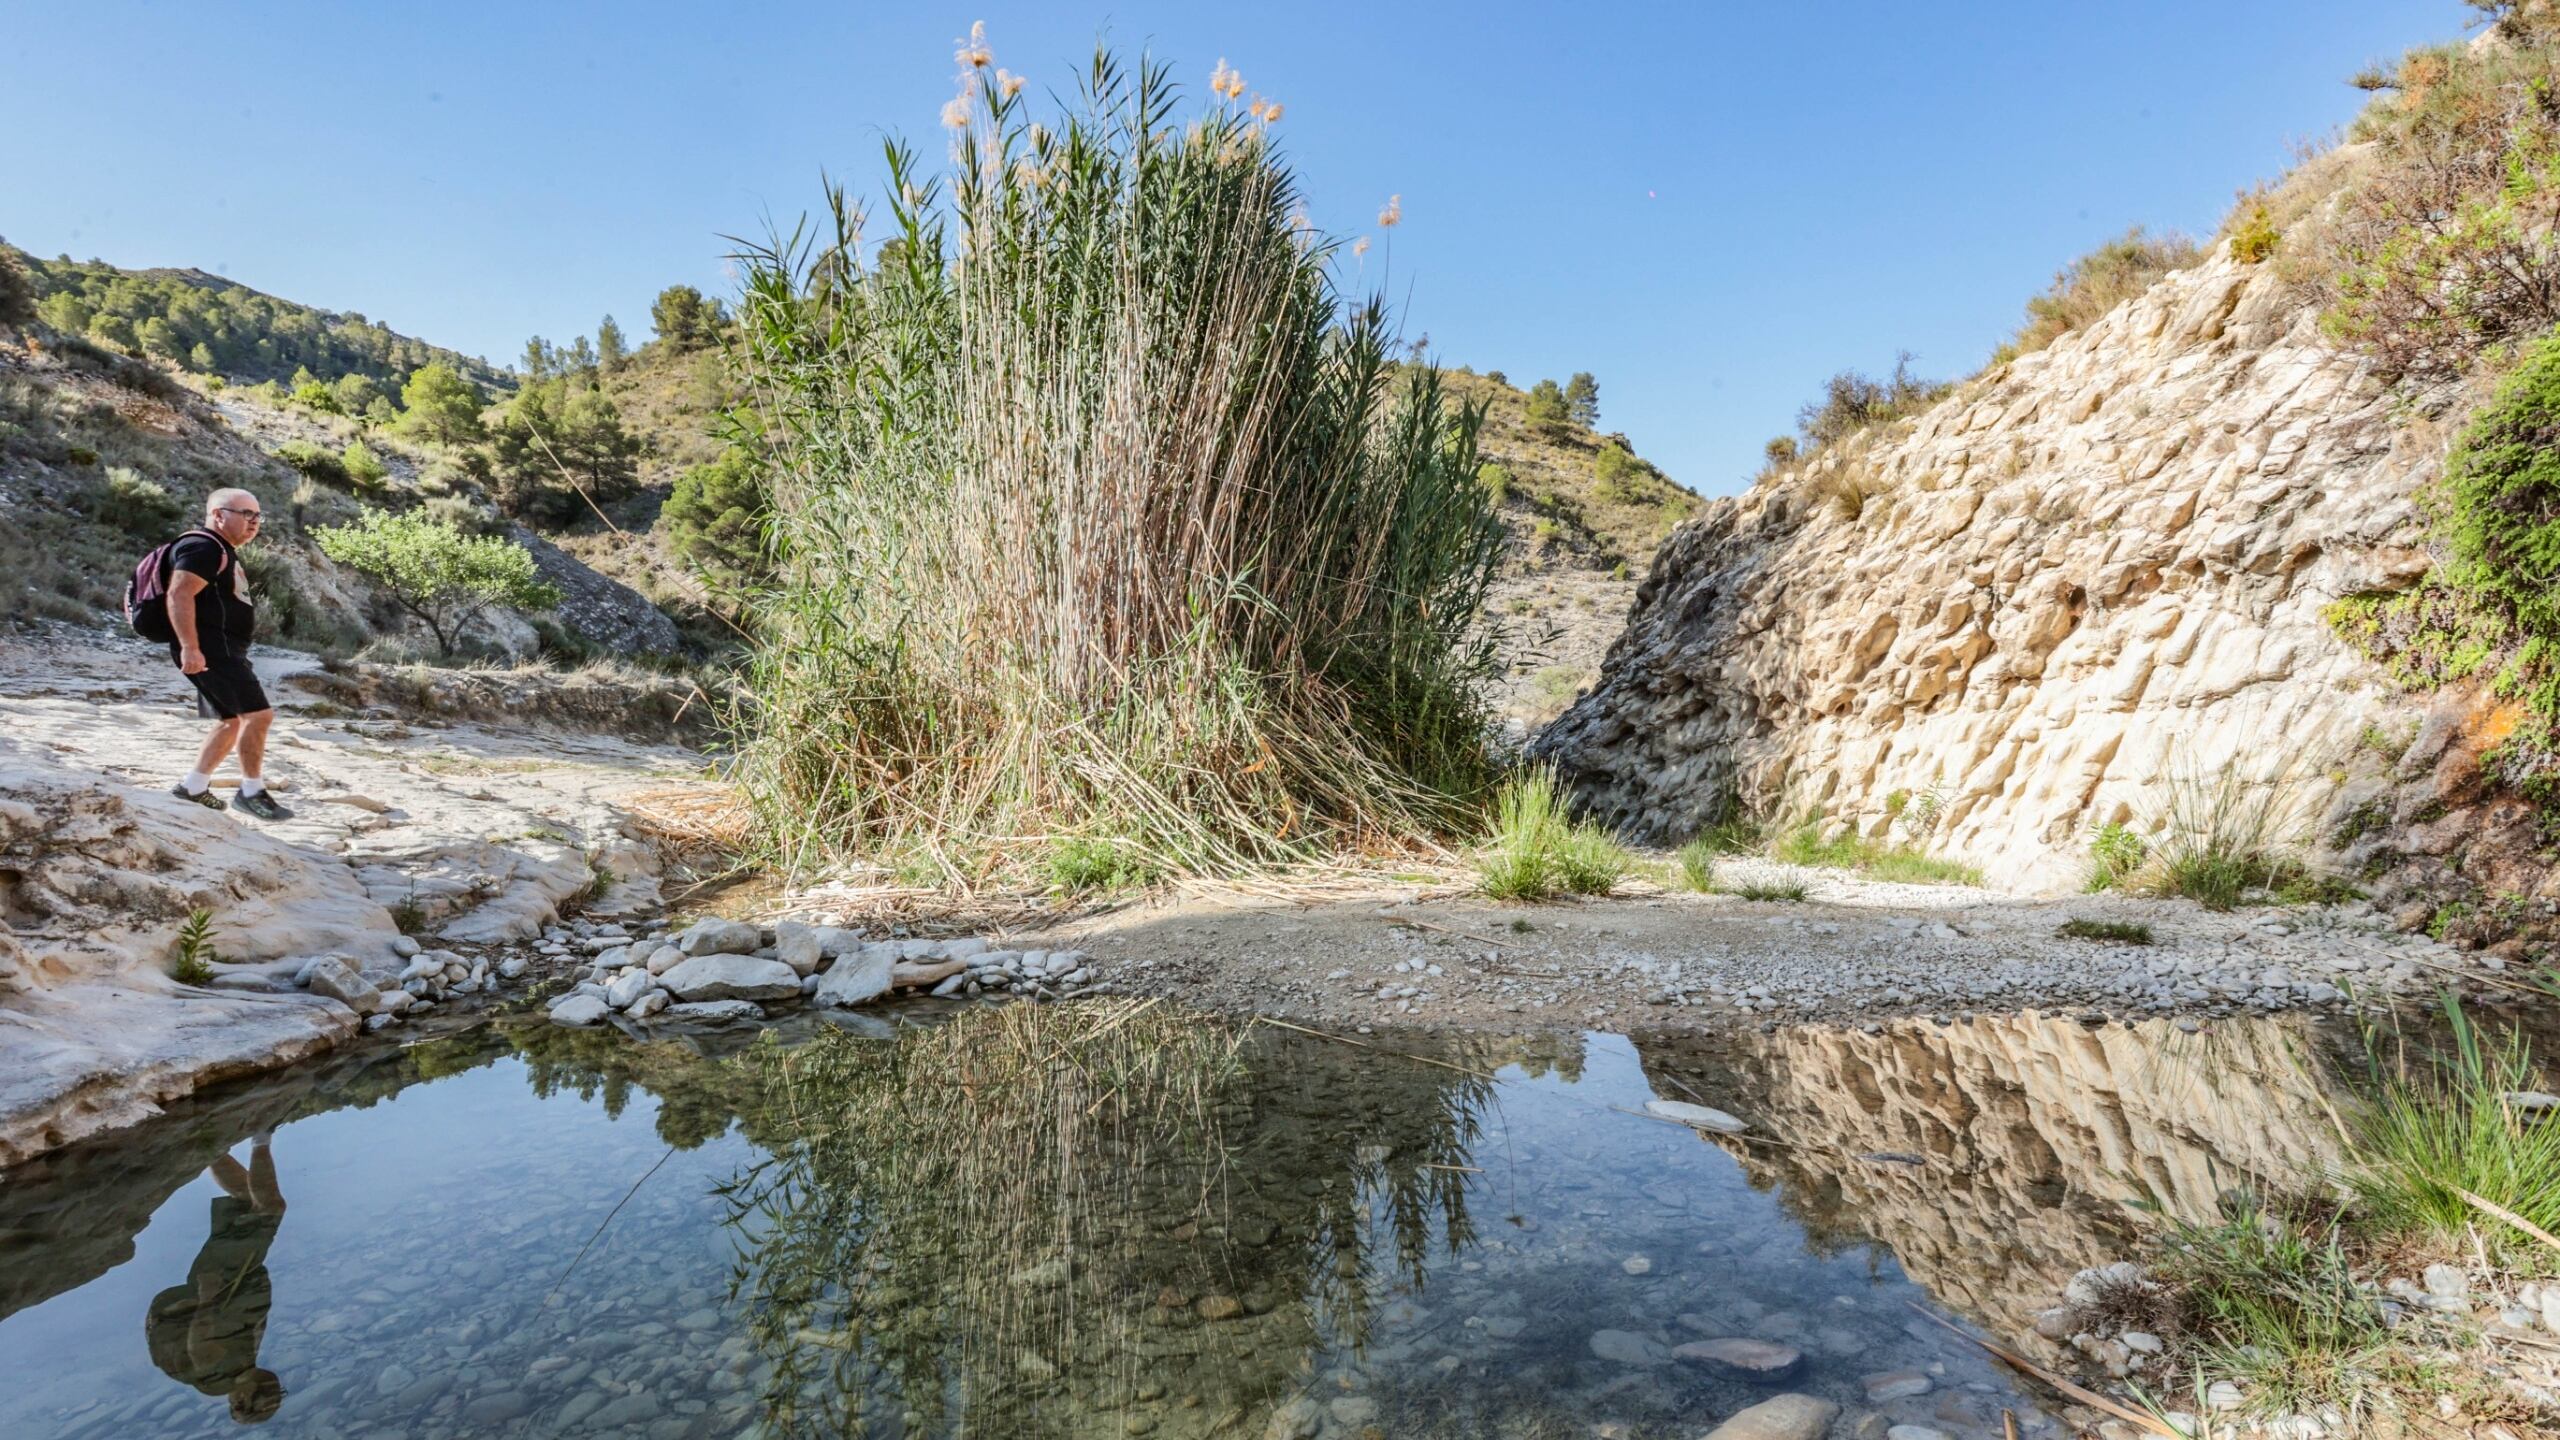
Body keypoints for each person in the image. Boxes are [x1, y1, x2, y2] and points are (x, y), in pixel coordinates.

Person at [145, 1132, 289, 1425]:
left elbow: (201, 1342)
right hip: (230, 1281)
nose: (275, 1388)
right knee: (248, 1203)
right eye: (279, 1393)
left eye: (267, 1396)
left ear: (240, 1400)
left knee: (269, 1210)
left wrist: (208, 1295)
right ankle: (207, 1145)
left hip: (217, 1284)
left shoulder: (219, 1377)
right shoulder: (239, 1369)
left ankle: (261, 1135)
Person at [166, 488, 292, 821]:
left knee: (232, 720)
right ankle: (251, 792)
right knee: (258, 717)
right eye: (245, 514)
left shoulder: (219, 549)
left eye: (257, 515)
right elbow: (179, 594)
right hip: (212, 650)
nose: (254, 522)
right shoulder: (203, 546)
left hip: (220, 648)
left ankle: (192, 787)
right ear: (218, 515)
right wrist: (189, 647)